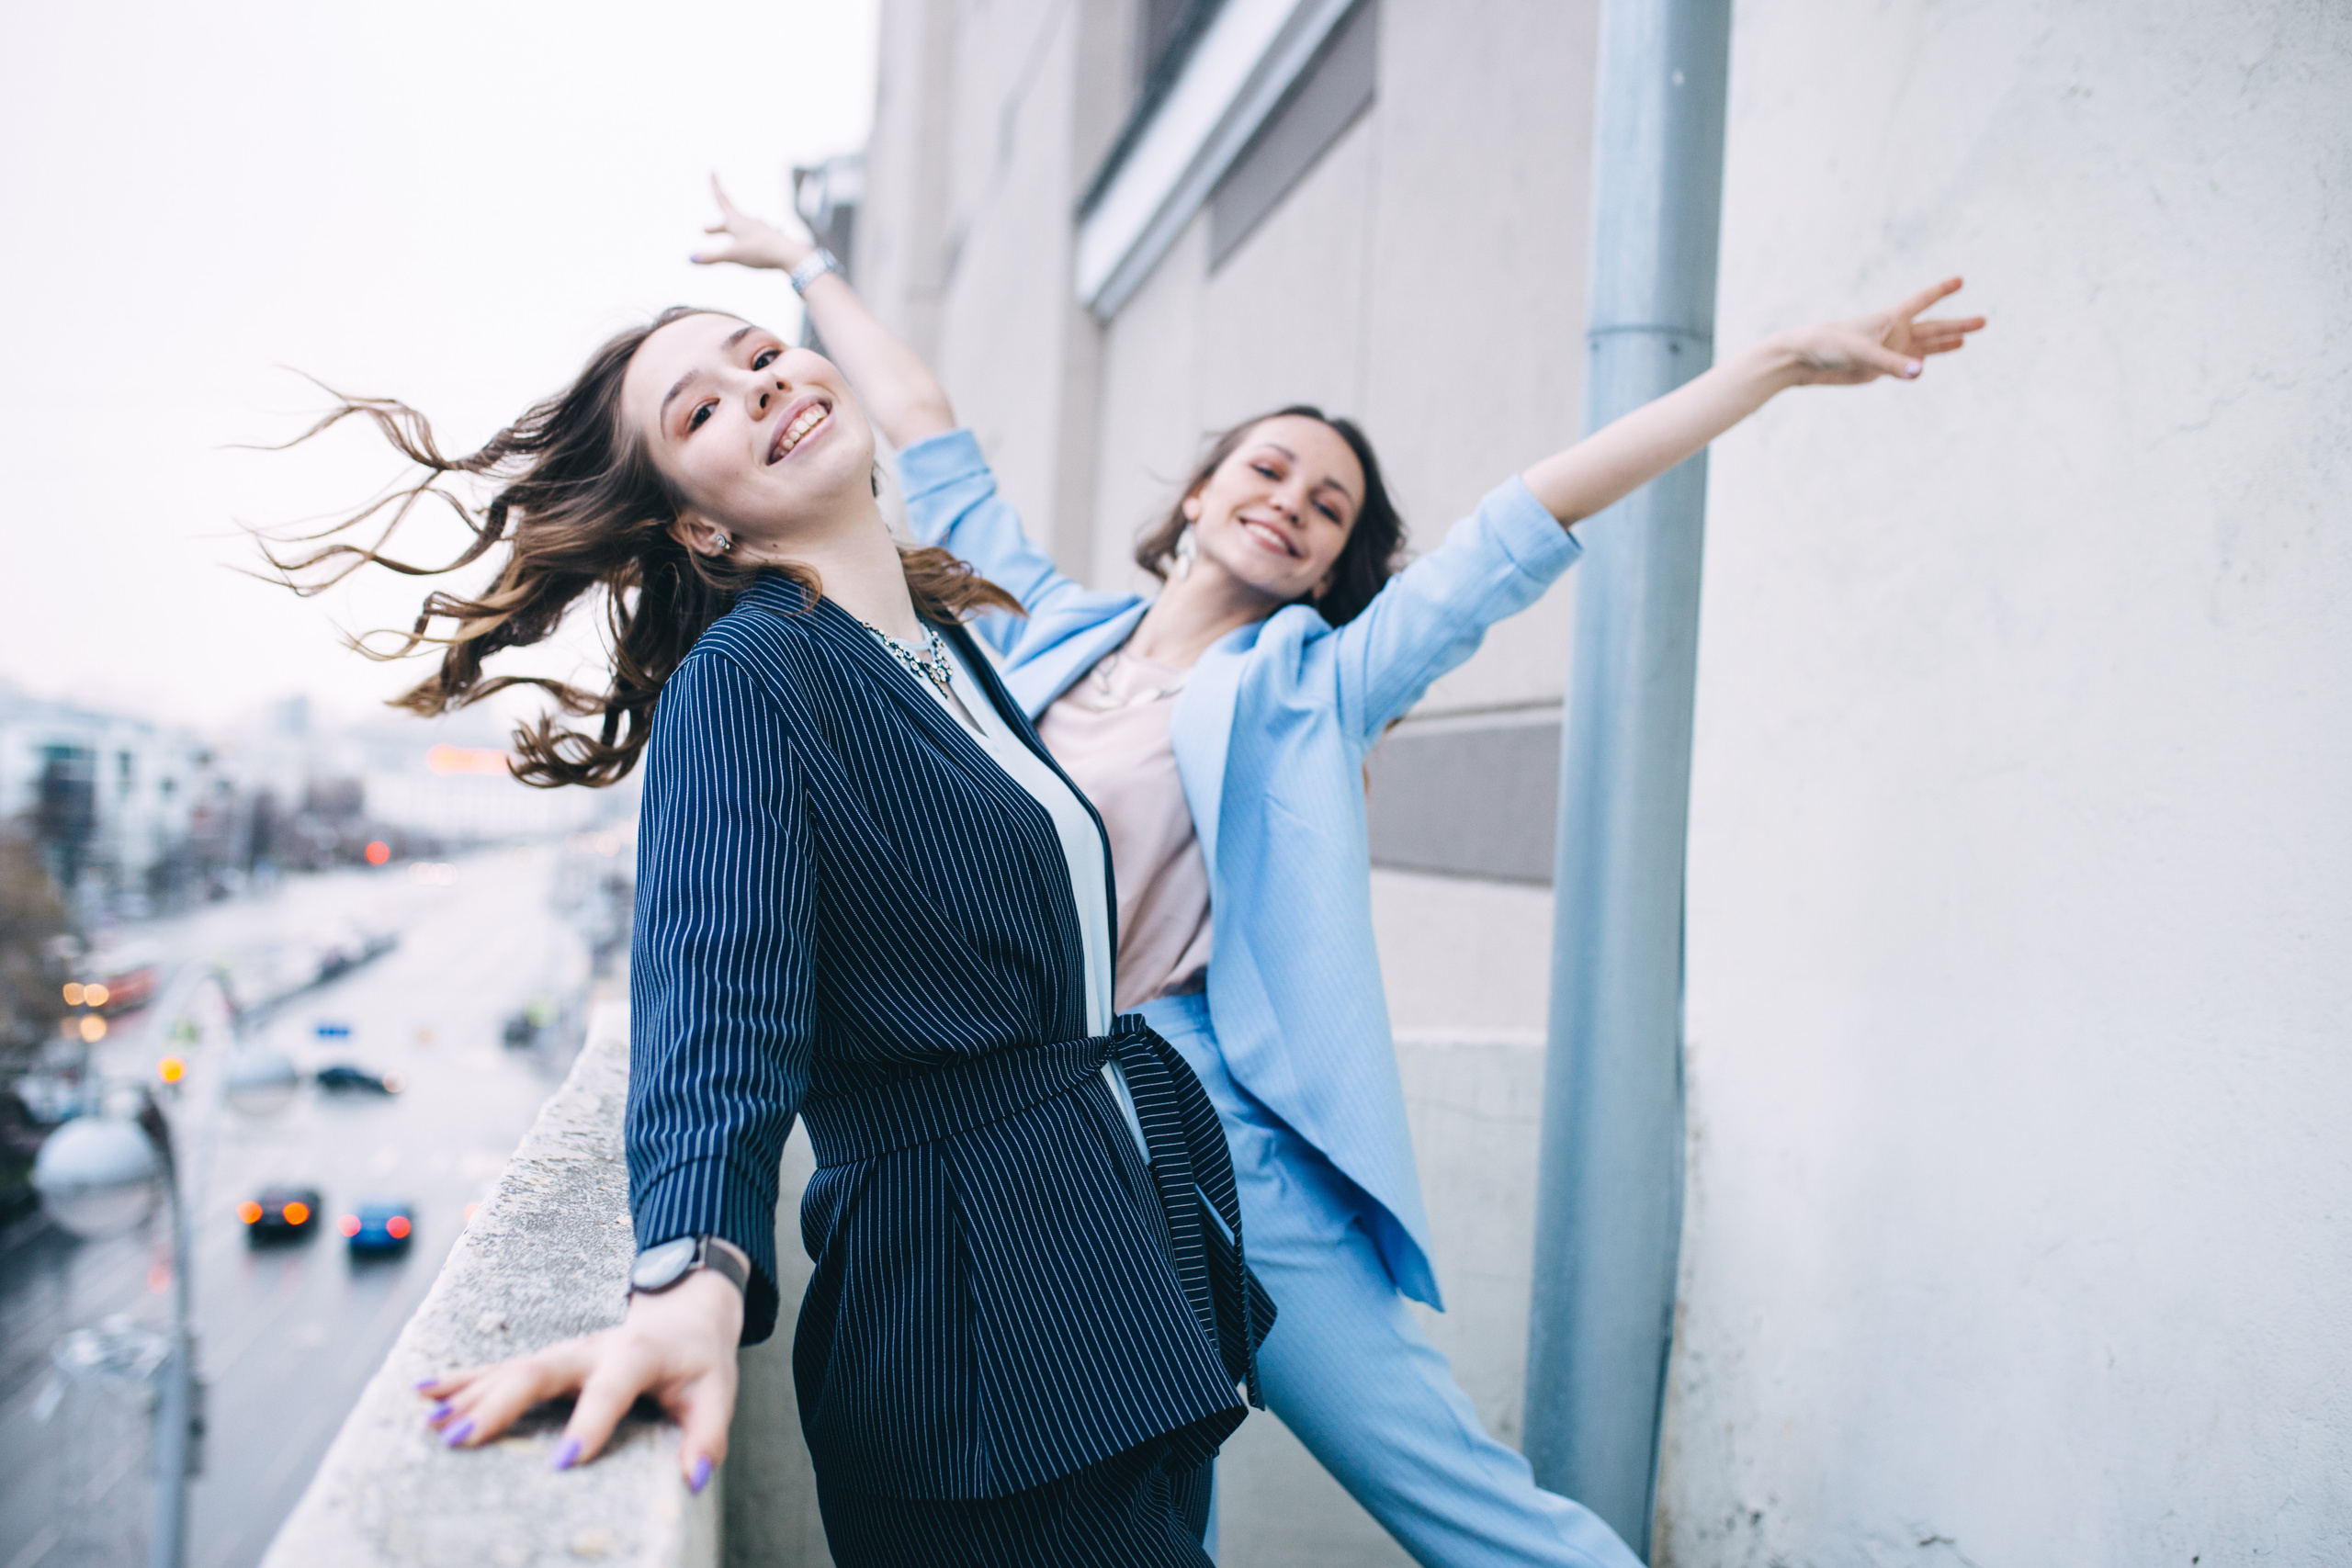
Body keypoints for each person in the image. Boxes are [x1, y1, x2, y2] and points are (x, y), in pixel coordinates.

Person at [693, 179, 1983, 1565]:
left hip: (1204, 1122)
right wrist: (809, 265)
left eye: (1329, 507)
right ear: (1196, 492)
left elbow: (1516, 527)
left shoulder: (1316, 683)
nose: (1292, 505)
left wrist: (1774, 366)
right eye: (1267, 470)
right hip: (1016, 1127)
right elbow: (928, 424)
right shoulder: (1041, 628)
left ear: (1329, 570)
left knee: (1457, 1495)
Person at [264, 299, 1274, 1567]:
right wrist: (688, 1280)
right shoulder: (747, 679)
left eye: (757, 354)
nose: (756, 386)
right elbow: (713, 1000)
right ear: (700, 520)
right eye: (699, 409)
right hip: (977, 1317)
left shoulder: (942, 644)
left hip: (1104, 1254)